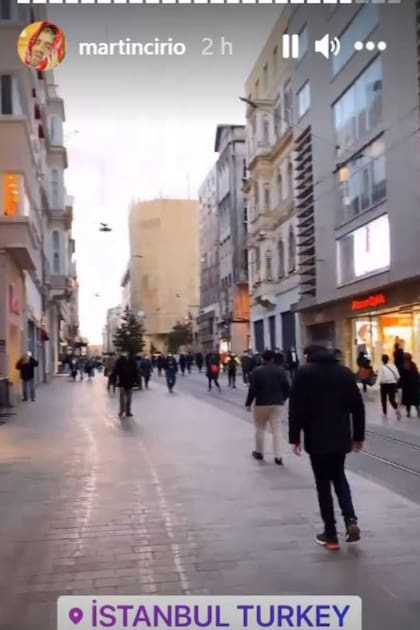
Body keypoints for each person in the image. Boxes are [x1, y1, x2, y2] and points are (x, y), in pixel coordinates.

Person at [289, 345, 365, 551]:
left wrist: (294, 437)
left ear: (308, 356)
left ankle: (330, 534)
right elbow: (358, 406)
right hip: (340, 437)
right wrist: (358, 436)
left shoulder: (304, 373)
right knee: (339, 477)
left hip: (316, 438)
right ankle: (350, 519)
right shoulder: (344, 372)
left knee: (323, 484)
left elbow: (296, 407)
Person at [245, 350, 290, 466]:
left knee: (260, 428)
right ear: (273, 359)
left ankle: (259, 452)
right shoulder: (281, 371)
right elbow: (287, 387)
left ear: (262, 359)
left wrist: (248, 403)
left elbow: (252, 390)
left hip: (261, 403)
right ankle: (278, 456)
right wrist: (283, 398)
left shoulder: (256, 372)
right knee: (277, 430)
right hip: (277, 403)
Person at [112, 352, 139, 418]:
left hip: (123, 382)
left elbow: (115, 371)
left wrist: (114, 380)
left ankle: (123, 411)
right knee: (127, 398)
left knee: (123, 398)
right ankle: (126, 411)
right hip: (128, 382)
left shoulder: (122, 361)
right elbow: (136, 372)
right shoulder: (131, 361)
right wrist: (136, 381)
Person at [378, 354, 401, 419]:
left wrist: (375, 386)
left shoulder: (381, 367)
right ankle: (396, 409)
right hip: (392, 384)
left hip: (384, 385)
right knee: (391, 399)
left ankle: (384, 413)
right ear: (388, 359)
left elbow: (379, 378)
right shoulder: (393, 366)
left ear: (382, 360)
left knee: (383, 399)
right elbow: (398, 376)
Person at [400, 353, 420, 418]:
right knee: (415, 400)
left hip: (407, 386)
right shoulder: (413, 364)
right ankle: (418, 411)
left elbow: (402, 377)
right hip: (414, 386)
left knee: (407, 401)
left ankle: (408, 413)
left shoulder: (404, 366)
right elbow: (417, 375)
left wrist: (399, 385)